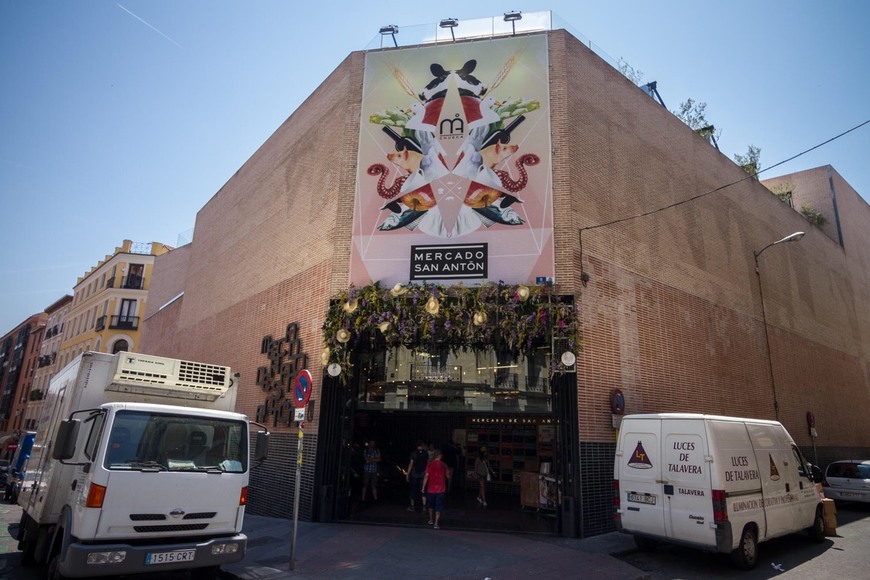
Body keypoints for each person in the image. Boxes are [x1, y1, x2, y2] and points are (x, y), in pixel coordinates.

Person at [422, 448, 449, 529]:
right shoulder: (444, 465)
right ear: (440, 456)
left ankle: (431, 519)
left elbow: (426, 476)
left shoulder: (430, 464)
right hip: (440, 489)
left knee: (430, 505)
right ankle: (436, 523)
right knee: (438, 506)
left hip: (431, 489)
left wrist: (423, 487)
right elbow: (448, 476)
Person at [406, 440, 428, 511]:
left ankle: (412, 506)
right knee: (423, 489)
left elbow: (411, 464)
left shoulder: (414, 453)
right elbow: (427, 463)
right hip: (422, 473)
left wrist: (407, 474)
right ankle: (424, 505)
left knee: (413, 489)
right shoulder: (425, 453)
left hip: (414, 473)